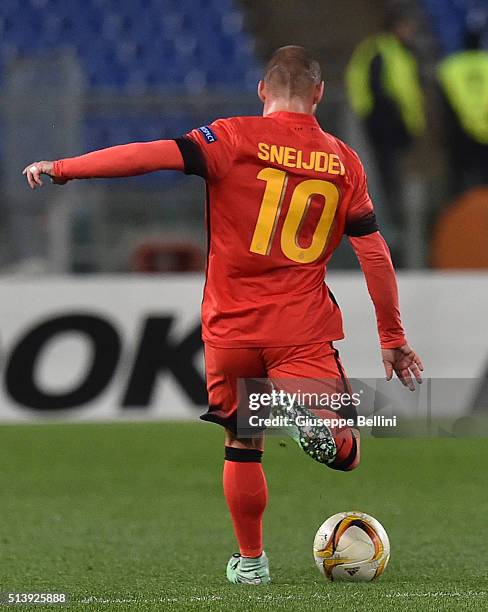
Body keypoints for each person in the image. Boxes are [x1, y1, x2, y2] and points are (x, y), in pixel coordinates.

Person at [23, 45, 423, 585]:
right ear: (320, 93)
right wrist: (392, 336)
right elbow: (374, 252)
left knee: (241, 442)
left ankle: (252, 563)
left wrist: (66, 168)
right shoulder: (344, 161)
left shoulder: (230, 137)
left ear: (263, 90)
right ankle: (316, 423)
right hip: (299, 330)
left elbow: (150, 154)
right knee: (347, 452)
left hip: (229, 329)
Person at [346, 7, 426, 233]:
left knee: (394, 172)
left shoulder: (404, 52)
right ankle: (389, 219)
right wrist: (386, 112)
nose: (410, 31)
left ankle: (395, 218)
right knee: (386, 172)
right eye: (406, 26)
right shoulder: (381, 50)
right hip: (383, 121)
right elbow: (376, 87)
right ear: (396, 27)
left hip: (400, 123)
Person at [437, 24, 488, 195]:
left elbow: (444, 100)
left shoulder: (450, 67)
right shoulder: (486, 62)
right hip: (485, 129)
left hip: (459, 128)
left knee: (459, 177)